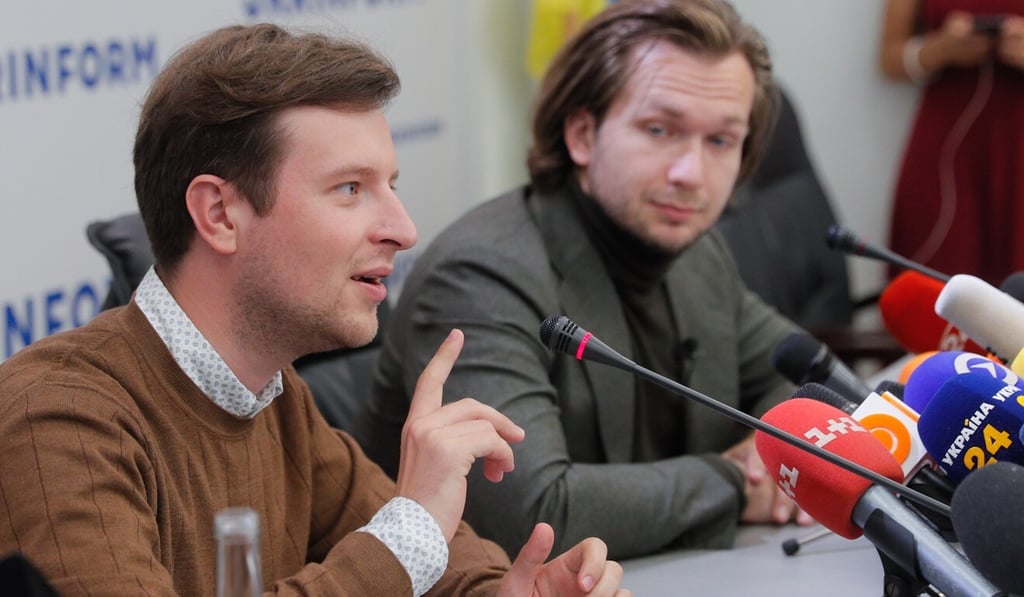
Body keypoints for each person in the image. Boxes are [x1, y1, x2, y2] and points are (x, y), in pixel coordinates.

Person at [0, 24, 629, 596]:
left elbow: (442, 568)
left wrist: (517, 594)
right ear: (220, 214)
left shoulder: (275, 398)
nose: (404, 229)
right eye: (351, 189)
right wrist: (409, 530)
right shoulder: (54, 418)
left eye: (392, 185)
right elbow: (402, 547)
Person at [362, 0, 814, 561]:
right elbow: (533, 514)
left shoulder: (694, 250)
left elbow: (806, 378)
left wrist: (768, 443)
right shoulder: (480, 274)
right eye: (659, 129)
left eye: (720, 141)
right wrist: (733, 479)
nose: (691, 174)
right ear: (581, 134)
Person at [881, 0, 1024, 285]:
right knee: (934, 281)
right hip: (948, 148)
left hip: (1016, 149)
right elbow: (889, 59)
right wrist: (939, 49)